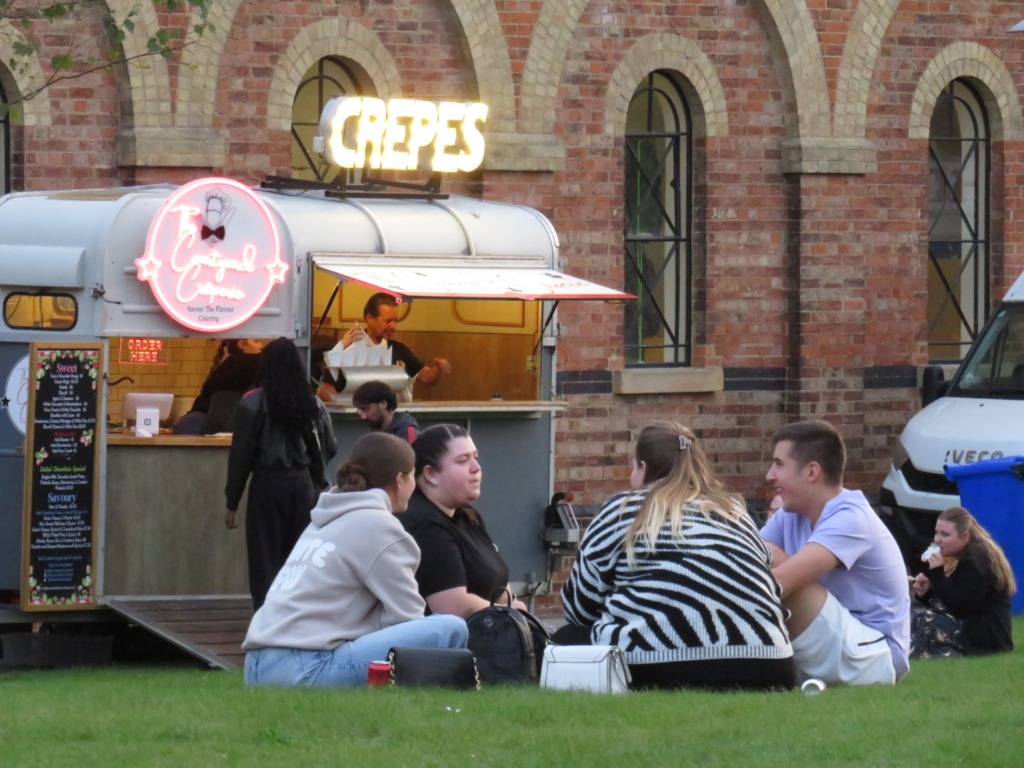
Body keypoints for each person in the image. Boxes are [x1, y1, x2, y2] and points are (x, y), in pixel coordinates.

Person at [557, 423, 795, 691]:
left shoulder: (623, 509)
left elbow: (578, 609)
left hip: (656, 662)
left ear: (644, 467)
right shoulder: (735, 511)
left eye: (634, 467)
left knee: (566, 640)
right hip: (767, 663)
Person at [242, 432, 469, 687]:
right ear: (399, 480)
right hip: (305, 667)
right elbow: (406, 620)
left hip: (255, 667)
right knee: (451, 628)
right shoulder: (379, 526)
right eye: (412, 475)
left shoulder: (322, 520)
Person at [760, 420, 910, 685]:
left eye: (779, 464)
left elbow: (774, 586)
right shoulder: (790, 515)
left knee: (767, 557)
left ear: (811, 472)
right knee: (753, 552)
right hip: (841, 642)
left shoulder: (851, 519)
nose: (770, 475)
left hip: (875, 654)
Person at [224, 337, 338, 610]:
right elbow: (330, 446)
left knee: (265, 558)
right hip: (303, 486)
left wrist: (232, 502)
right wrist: (315, 479)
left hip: (267, 485)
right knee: (299, 556)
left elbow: (241, 457)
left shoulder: (252, 403)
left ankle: (266, 618)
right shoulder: (312, 402)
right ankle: (296, 615)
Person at [399, 424, 527, 617]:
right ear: (431, 474)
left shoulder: (466, 515)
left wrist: (511, 605)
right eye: (462, 461)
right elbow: (452, 606)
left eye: (475, 458)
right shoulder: (423, 523)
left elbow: (499, 582)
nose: (476, 468)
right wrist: (508, 612)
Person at [910, 506, 1015, 658]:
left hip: (986, 639)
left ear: (964, 536)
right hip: (971, 629)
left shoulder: (977, 559)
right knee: (910, 617)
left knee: (921, 620)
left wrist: (936, 573)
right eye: (937, 532)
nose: (937, 540)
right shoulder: (963, 555)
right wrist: (926, 594)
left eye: (945, 535)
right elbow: (954, 598)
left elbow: (962, 607)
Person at [342, 293, 451, 386]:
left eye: (395, 321)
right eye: (388, 321)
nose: (393, 326)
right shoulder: (349, 348)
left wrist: (438, 369)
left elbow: (427, 378)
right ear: (370, 319)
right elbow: (327, 388)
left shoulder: (399, 350)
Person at [173, 338, 262, 434]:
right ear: (242, 344)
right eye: (256, 342)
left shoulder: (228, 365)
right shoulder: (243, 362)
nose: (261, 346)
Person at [351, 379, 419, 444]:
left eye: (366, 409)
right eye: (360, 411)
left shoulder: (408, 434)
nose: (363, 417)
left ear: (383, 404)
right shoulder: (376, 432)